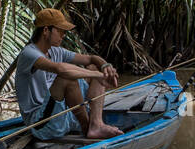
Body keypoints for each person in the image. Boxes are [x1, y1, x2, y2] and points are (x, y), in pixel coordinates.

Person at [14, 8, 123, 141]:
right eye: (60, 31)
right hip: (41, 124)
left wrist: (106, 67)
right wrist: (98, 75)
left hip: (62, 116)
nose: (63, 35)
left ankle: (96, 124)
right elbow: (60, 69)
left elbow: (91, 59)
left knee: (96, 67)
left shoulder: (56, 51)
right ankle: (86, 126)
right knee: (68, 78)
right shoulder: (29, 53)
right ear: (46, 31)